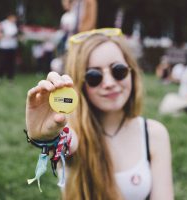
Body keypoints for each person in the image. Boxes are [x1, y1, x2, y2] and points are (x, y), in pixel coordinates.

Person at [25, 28, 173, 200]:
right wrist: (48, 137)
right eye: (94, 76)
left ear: (132, 72)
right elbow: (64, 142)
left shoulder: (154, 133)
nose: (109, 83)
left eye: (118, 70)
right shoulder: (73, 131)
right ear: (79, 84)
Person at [0, 14, 19, 85]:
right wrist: (7, 36)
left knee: (11, 64)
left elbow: (17, 36)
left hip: (12, 47)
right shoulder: (2, 24)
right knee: (1, 63)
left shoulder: (15, 25)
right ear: (9, 17)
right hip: (3, 47)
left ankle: (10, 79)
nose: (15, 19)